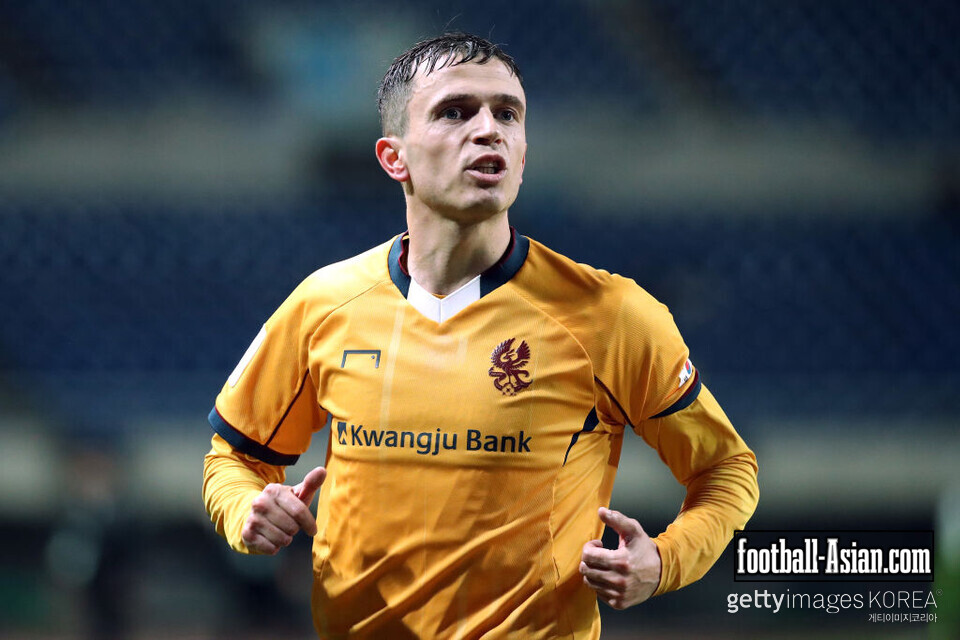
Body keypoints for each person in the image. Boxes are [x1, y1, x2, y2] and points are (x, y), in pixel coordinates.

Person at [203, 32, 759, 639]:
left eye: (508, 114)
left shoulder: (610, 314)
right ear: (396, 158)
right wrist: (245, 512)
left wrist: (666, 561)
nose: (489, 129)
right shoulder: (325, 304)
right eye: (455, 111)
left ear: (522, 155)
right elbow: (237, 456)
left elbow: (727, 470)